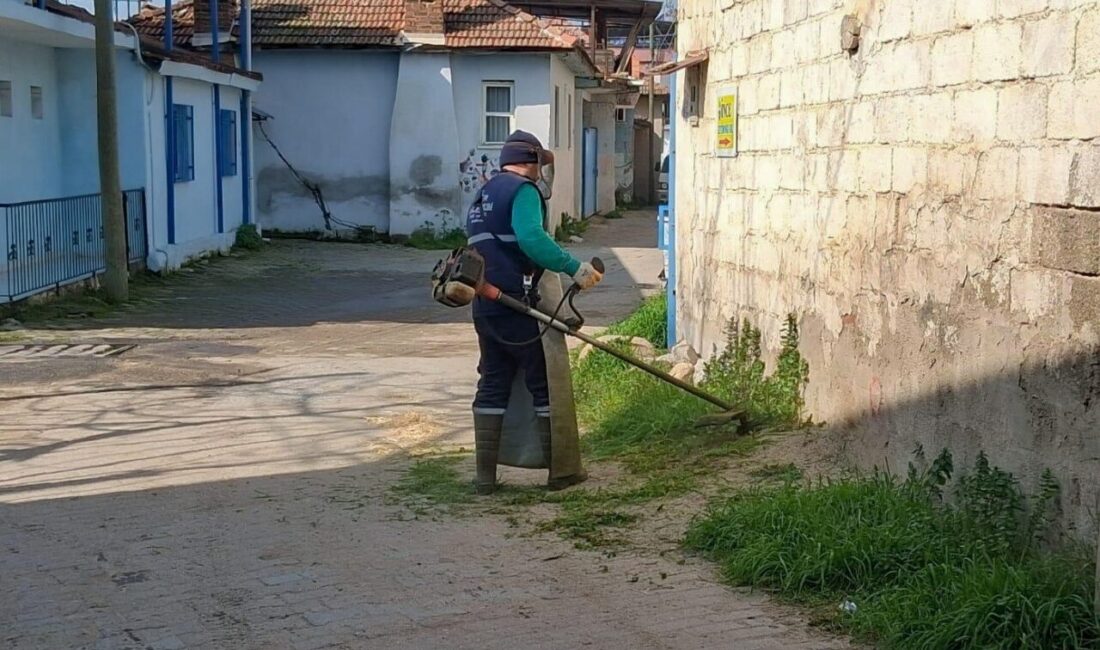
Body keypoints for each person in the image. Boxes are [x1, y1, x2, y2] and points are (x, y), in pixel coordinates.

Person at [466, 130, 602, 495]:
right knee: (544, 381)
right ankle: (561, 472)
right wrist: (574, 267)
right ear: (532, 162)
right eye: (541, 163)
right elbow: (532, 239)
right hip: (517, 302)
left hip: (485, 303)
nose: (543, 171)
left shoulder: (483, 194)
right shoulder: (522, 191)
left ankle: (484, 478)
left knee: (493, 381)